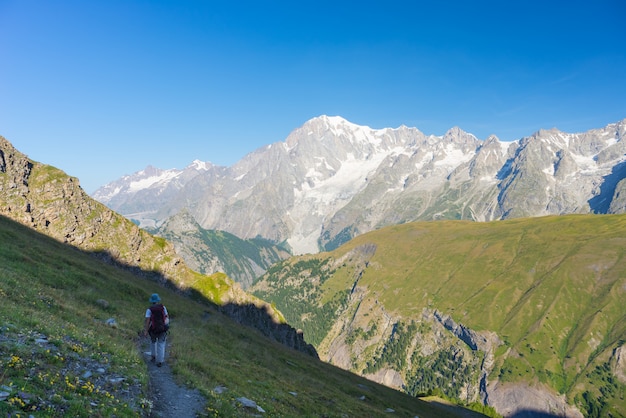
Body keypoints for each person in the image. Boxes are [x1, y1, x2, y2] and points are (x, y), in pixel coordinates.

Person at [143, 293, 169, 367]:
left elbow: (148, 321)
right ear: (158, 300)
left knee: (153, 342)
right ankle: (160, 361)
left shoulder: (149, 310)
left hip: (153, 330)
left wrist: (146, 330)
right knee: (161, 344)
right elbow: (166, 317)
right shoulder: (163, 307)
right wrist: (165, 326)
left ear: (151, 301)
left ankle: (153, 356)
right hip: (162, 329)